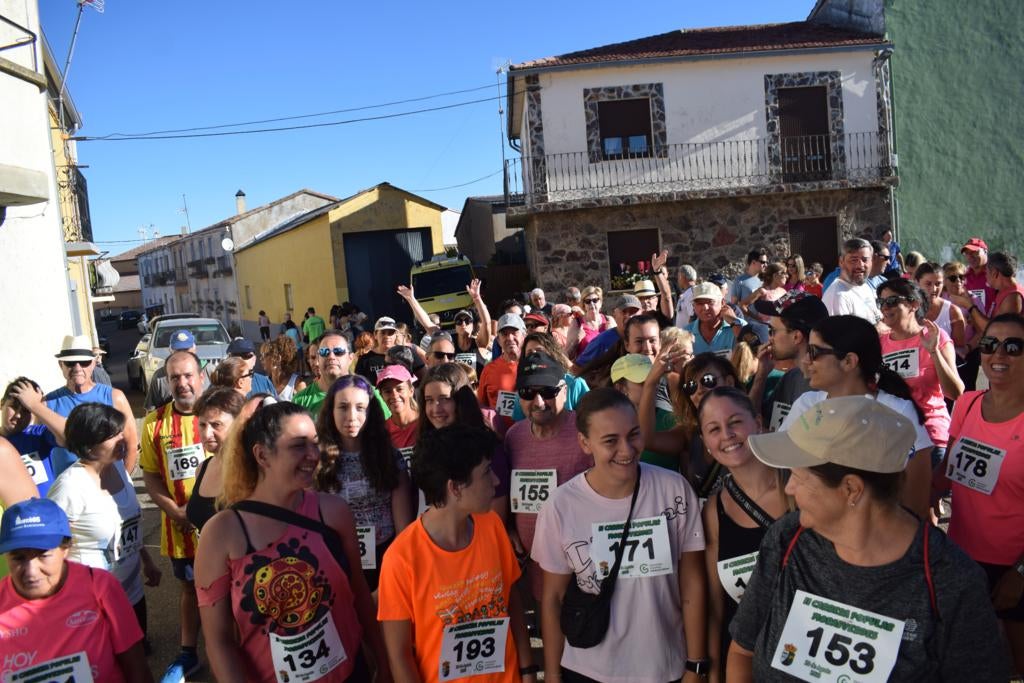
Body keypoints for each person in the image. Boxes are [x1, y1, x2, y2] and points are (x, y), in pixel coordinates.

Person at [728, 396, 1009, 681]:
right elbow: (742, 651)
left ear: (851, 489)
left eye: (799, 477)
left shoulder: (950, 580)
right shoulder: (787, 539)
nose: (788, 488)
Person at [194, 401, 388, 682]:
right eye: (298, 446)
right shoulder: (222, 534)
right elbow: (219, 641)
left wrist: (384, 664)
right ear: (262, 455)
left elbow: (358, 594)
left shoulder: (333, 511)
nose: (313, 455)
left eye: (315, 443)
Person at [532, 389, 709, 683]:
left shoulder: (674, 489)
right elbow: (552, 597)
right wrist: (552, 674)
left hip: (666, 665)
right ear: (585, 443)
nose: (626, 450)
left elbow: (691, 582)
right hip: (589, 668)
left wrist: (696, 663)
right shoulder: (561, 505)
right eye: (611, 441)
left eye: (634, 435)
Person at [378, 424, 535, 683]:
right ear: (455, 488)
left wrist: (528, 670)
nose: (496, 480)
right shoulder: (401, 558)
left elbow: (512, 601)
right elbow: (399, 655)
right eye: (486, 472)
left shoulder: (492, 525)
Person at [780, 315, 935, 518]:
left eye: (814, 352)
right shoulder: (806, 405)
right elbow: (785, 475)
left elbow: (915, 505)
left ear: (849, 361)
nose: (805, 360)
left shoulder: (899, 413)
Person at [939, 313, 1024, 674]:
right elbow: (943, 478)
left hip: (1014, 568)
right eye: (989, 344)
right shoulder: (968, 404)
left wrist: (1021, 573)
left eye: (1013, 347)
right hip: (961, 559)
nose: (998, 354)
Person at [0, 498, 153, 682]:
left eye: (43, 555)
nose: (31, 571)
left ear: (66, 548)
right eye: (18, 558)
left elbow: (137, 669)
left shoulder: (99, 587)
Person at [698, 387, 789, 682]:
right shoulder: (713, 512)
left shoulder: (800, 488)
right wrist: (713, 672)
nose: (727, 434)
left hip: (799, 656)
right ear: (705, 443)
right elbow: (716, 606)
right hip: (744, 660)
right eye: (714, 429)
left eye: (735, 422)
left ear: (758, 423)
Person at [50, 403, 161, 641]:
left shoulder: (119, 468)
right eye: (112, 435)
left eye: (120, 432)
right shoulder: (70, 487)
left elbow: (127, 523)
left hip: (132, 593)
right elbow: (51, 547)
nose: (122, 438)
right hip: (93, 604)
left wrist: (146, 560)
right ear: (89, 445)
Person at [139, 350, 207, 681]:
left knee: (236, 587)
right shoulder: (154, 423)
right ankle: (188, 653)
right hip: (181, 530)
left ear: (201, 376)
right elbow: (150, 475)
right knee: (190, 589)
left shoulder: (219, 414)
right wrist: (174, 510)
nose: (182, 383)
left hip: (224, 527)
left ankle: (238, 650)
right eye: (175, 377)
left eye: (188, 375)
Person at [504, 351, 594, 600]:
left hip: (585, 566)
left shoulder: (588, 430)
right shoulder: (514, 437)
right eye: (528, 393)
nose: (539, 402)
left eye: (548, 391)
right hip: (536, 569)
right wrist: (511, 529)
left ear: (565, 389)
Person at [315, 374, 414, 590]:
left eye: (360, 407)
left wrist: (394, 575)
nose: (351, 416)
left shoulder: (390, 457)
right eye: (343, 407)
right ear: (330, 411)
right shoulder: (315, 461)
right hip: (333, 563)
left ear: (372, 412)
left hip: (385, 562)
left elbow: (404, 529)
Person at [878, 278, 964, 459]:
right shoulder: (878, 344)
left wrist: (934, 352)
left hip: (929, 436)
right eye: (881, 302)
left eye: (892, 301)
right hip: (889, 439)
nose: (885, 307)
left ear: (913, 304)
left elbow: (956, 393)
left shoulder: (936, 337)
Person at [417, 363, 511, 519]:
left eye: (444, 399)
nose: (436, 409)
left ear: (461, 401)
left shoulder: (488, 449)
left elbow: (495, 516)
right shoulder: (425, 446)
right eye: (429, 400)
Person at [46, 334, 138, 476]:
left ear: (94, 363)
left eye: (84, 362)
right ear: (61, 365)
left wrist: (124, 482)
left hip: (109, 488)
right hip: (68, 492)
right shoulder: (47, 404)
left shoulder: (115, 397)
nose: (77, 368)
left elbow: (131, 444)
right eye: (71, 363)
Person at [749, 291, 829, 431]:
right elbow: (752, 423)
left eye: (772, 330)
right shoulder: (792, 377)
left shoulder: (828, 386)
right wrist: (761, 375)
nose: (769, 338)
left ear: (796, 337)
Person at [185, 387, 247, 532]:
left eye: (216, 425)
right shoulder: (202, 469)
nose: (207, 434)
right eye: (202, 425)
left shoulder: (251, 471)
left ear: (238, 425)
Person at [610, 353, 680, 471]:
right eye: (644, 382)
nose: (653, 385)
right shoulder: (606, 424)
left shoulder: (671, 419)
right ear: (621, 388)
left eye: (654, 379)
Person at [1, 378, 68, 497]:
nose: (18, 415)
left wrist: (37, 406)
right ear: (2, 404)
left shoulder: (37, 435)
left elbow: (71, 436)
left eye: (26, 410)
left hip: (45, 512)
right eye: (13, 407)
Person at [144, 329, 215, 412]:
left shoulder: (209, 370)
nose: (183, 354)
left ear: (194, 349)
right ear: (170, 350)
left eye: (186, 350)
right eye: (178, 350)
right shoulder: (159, 376)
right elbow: (151, 411)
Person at [821, 238, 883, 325]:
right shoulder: (838, 296)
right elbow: (840, 336)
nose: (860, 265)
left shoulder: (863, 286)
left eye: (865, 260)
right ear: (841, 262)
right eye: (854, 260)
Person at [573, 294, 638, 376]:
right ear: (614, 314)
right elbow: (577, 368)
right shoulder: (603, 341)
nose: (629, 316)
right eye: (624, 311)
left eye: (633, 312)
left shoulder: (646, 337)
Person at [293, 330, 352, 416]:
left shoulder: (369, 393)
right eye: (324, 352)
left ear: (351, 358)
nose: (331, 356)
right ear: (319, 359)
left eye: (338, 351)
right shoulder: (300, 400)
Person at [915, 261, 967, 353]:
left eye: (938, 284)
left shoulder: (953, 311)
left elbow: (960, 349)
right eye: (928, 284)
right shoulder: (907, 310)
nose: (934, 289)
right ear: (917, 282)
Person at [479, 313, 526, 415]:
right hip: (499, 430)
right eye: (504, 334)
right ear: (499, 340)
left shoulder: (533, 365)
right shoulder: (488, 370)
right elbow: (482, 406)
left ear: (524, 336)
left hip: (529, 430)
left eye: (514, 333)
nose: (509, 337)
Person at [687, 282, 743, 356]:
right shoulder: (685, 333)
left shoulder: (739, 325)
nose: (705, 307)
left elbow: (752, 349)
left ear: (723, 303)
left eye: (710, 302)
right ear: (693, 306)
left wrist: (734, 322)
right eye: (699, 303)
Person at [378, 364, 419, 458]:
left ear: (411, 391)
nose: (394, 395)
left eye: (399, 389)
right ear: (381, 396)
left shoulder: (427, 423)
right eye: (388, 391)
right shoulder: (381, 432)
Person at [567, 286, 615, 359]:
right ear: (584, 305)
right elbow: (567, 355)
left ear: (601, 302)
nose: (592, 304)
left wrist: (611, 334)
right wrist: (576, 340)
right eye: (588, 301)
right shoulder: (577, 323)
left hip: (608, 367)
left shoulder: (609, 320)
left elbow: (619, 347)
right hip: (587, 368)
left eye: (595, 300)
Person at [263, 334, 307, 400]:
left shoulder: (297, 384)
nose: (261, 358)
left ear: (277, 358)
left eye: (265, 355)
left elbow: (304, 409)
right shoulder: (263, 382)